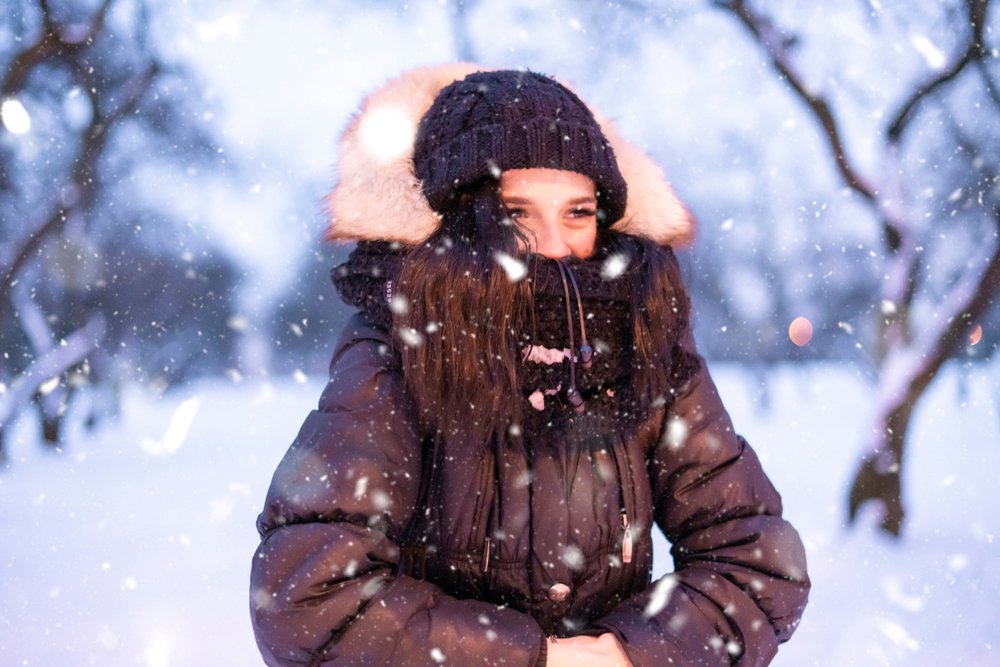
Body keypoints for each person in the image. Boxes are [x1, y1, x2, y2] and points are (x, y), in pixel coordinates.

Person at [250, 65, 810, 667]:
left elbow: (755, 563)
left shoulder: (645, 341)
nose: (554, 244)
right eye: (517, 213)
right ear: (461, 220)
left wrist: (624, 654)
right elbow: (311, 596)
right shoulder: (400, 347)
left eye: (578, 212)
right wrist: (536, 659)